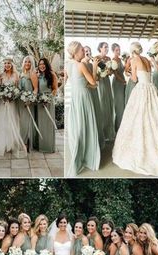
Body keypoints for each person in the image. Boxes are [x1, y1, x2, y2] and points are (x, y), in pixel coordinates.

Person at [112, 42, 158, 176]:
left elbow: (134, 79)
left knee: (137, 116)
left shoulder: (134, 60)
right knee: (153, 116)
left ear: (132, 51)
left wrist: (129, 75)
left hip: (141, 90)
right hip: (151, 89)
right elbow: (149, 73)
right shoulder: (145, 59)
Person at [66, 41, 100, 176]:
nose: (83, 52)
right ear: (75, 52)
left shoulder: (68, 65)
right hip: (84, 98)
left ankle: (80, 152)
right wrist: (95, 67)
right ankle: (88, 157)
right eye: (81, 50)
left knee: (79, 126)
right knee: (88, 126)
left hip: (75, 98)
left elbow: (70, 81)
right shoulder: (81, 65)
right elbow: (93, 83)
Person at [0, 58, 25, 157]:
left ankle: (11, 144)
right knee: (2, 122)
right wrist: (3, 96)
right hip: (3, 103)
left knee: (12, 121)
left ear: (12, 64)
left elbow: (18, 89)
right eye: (5, 63)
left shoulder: (16, 75)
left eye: (9, 63)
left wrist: (12, 96)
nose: (7, 65)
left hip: (12, 102)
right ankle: (3, 144)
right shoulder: (1, 75)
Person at [37, 57, 58, 153]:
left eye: (43, 64)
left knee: (48, 123)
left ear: (46, 65)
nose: (41, 66)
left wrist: (48, 99)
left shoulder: (52, 74)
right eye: (40, 64)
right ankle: (41, 145)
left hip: (48, 102)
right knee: (41, 123)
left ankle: (49, 147)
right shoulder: (38, 75)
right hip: (40, 102)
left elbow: (55, 89)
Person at [19, 56, 38, 151]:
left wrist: (30, 100)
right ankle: (23, 141)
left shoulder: (32, 73)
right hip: (22, 102)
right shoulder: (22, 73)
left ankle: (27, 143)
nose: (27, 63)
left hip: (29, 102)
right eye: (26, 61)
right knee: (22, 122)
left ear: (32, 64)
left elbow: (35, 89)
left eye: (29, 62)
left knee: (27, 122)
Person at [97, 41, 115, 141]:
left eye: (107, 47)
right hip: (100, 83)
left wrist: (109, 71)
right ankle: (102, 132)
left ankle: (109, 132)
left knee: (109, 104)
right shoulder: (96, 58)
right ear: (100, 48)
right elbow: (96, 72)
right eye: (105, 47)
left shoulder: (108, 59)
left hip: (107, 82)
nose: (107, 49)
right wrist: (102, 73)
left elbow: (111, 73)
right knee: (102, 105)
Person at [111, 43, 126, 132]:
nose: (118, 51)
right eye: (116, 50)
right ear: (113, 51)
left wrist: (126, 64)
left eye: (119, 49)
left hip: (122, 80)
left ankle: (123, 124)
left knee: (123, 103)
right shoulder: (113, 60)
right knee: (119, 104)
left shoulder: (120, 59)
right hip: (117, 82)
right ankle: (118, 126)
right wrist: (123, 81)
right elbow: (116, 74)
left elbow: (122, 70)